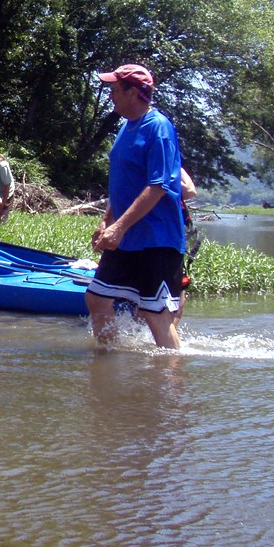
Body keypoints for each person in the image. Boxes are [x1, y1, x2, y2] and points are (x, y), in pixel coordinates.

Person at [85, 63, 188, 349]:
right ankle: (109, 358)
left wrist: (118, 227)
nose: (111, 96)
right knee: (97, 298)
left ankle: (170, 383)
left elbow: (158, 187)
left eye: (115, 90)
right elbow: (124, 185)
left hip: (156, 240)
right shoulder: (125, 128)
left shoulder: (158, 128)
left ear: (133, 92)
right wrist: (106, 222)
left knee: (155, 315)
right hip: (127, 237)